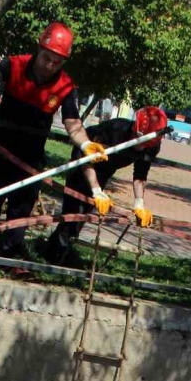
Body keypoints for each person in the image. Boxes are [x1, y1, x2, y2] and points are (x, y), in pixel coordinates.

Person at [0, 24, 109, 263]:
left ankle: (10, 257)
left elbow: (72, 121)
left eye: (57, 61)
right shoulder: (15, 65)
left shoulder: (65, 86)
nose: (50, 66)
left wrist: (85, 144)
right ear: (39, 47)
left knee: (22, 208)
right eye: (47, 58)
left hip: (31, 156)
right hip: (0, 148)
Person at [42, 105, 169, 266]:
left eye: (147, 145)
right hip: (83, 159)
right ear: (134, 130)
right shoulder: (114, 130)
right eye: (140, 141)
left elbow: (140, 174)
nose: (142, 148)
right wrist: (96, 190)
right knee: (73, 209)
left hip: (105, 169)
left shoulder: (153, 144)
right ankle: (54, 256)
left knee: (85, 211)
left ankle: (61, 249)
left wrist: (139, 203)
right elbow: (85, 159)